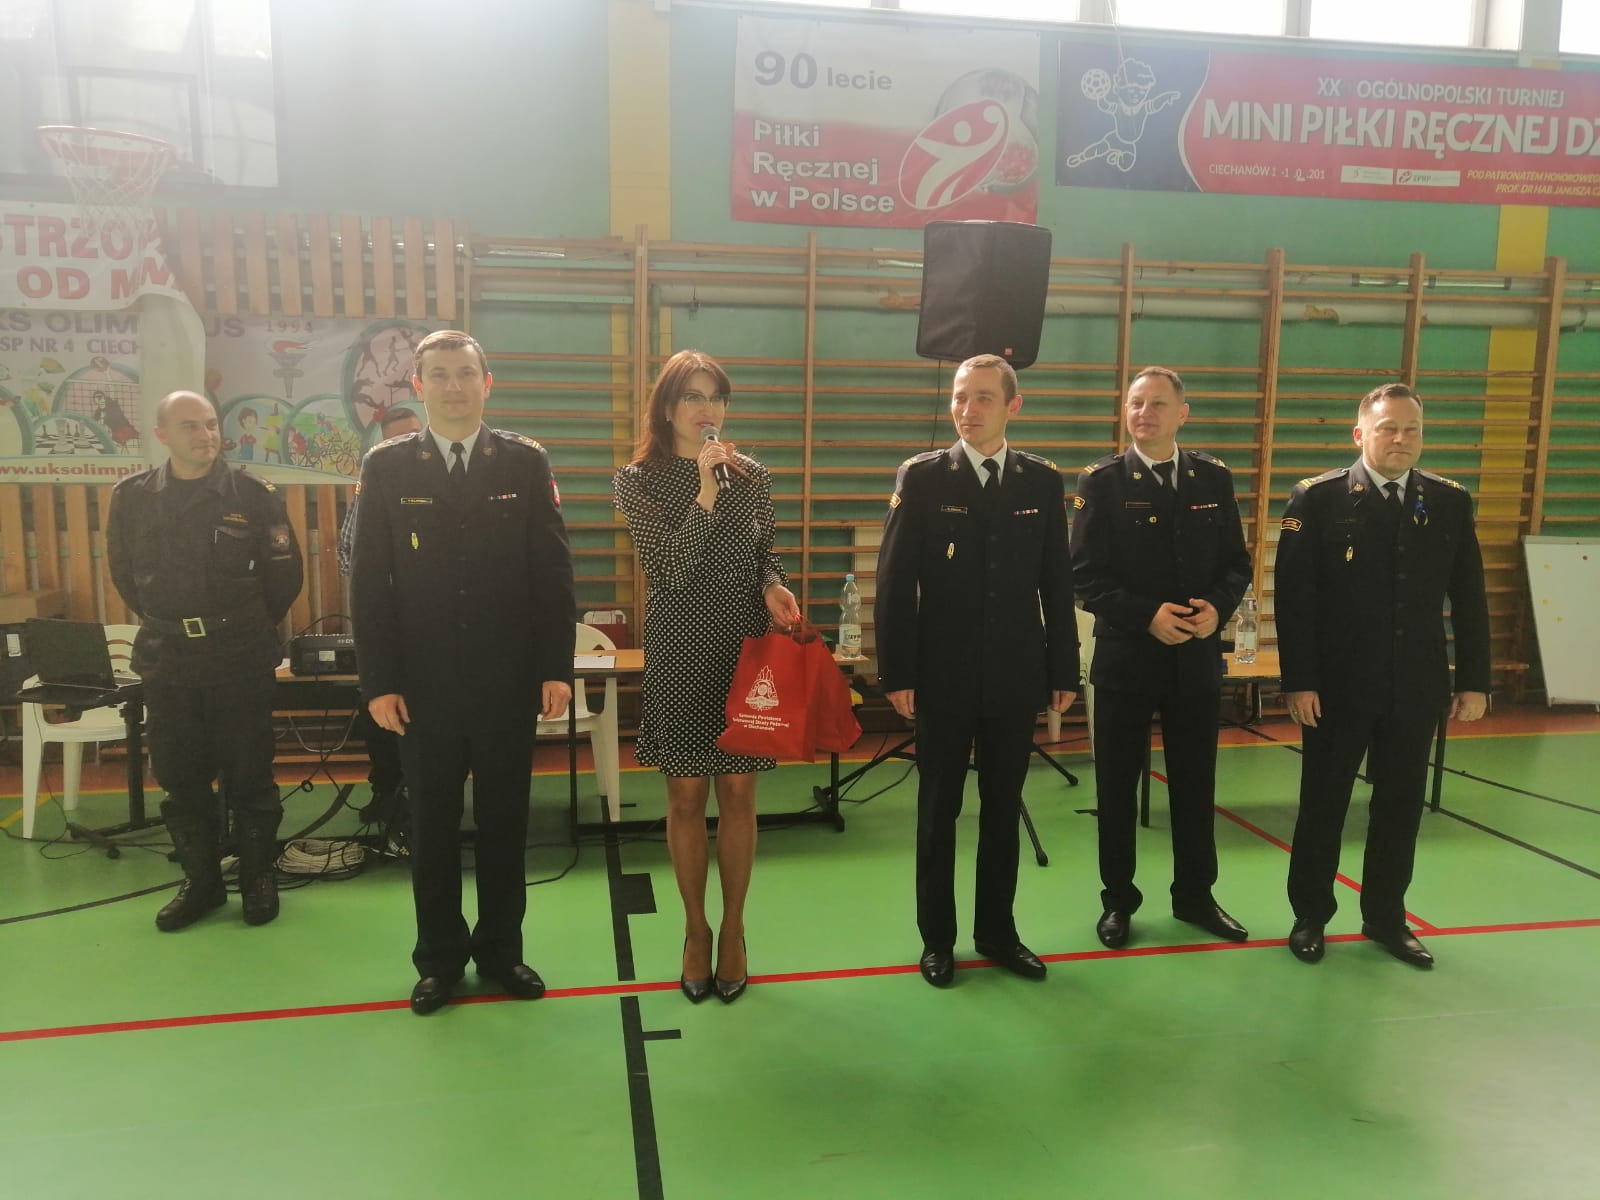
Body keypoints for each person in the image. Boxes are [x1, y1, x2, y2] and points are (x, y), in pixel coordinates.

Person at [350, 330, 575, 1015]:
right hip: (423, 689)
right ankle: (439, 961)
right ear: (418, 386)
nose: (454, 386)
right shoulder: (388, 467)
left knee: (506, 825)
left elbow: (552, 572)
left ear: (487, 383)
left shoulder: (525, 462)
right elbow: (369, 584)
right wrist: (379, 681)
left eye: (465, 374)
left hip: (507, 680)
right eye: (440, 375)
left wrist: (554, 667)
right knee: (433, 829)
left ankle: (503, 951)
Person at [874, 353, 1077, 989]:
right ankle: (938, 939)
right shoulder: (923, 477)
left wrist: (1063, 669)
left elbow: (1056, 581)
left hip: (1016, 672)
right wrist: (898, 672)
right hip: (942, 674)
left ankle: (997, 932)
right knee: (938, 809)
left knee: (1002, 807)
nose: (967, 409)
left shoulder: (1040, 481)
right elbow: (893, 582)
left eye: (984, 397)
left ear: (1013, 406)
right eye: (961, 397)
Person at [1276, 382, 1490, 968]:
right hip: (1337, 688)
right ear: (1360, 434)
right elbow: (1294, 600)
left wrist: (1474, 679)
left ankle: (1386, 917)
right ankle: (1310, 915)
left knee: (1400, 806)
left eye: (1411, 429)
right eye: (1388, 428)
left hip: (1415, 685)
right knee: (1324, 805)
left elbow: (1469, 596)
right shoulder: (1317, 499)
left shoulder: (1448, 500)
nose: (1401, 439)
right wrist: (1299, 680)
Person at [613, 350, 801, 1005]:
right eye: (692, 397)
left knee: (741, 795)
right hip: (680, 647)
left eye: (715, 397)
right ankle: (696, 930)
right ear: (667, 407)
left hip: (743, 645)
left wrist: (774, 585)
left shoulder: (755, 477)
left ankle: (734, 930)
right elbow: (669, 568)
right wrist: (704, 490)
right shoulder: (636, 480)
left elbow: (764, 552)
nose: (706, 409)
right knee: (687, 797)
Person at [1068, 366, 1254, 950]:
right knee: (1116, 789)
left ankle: (1196, 896)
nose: (1144, 413)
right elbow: (1084, 575)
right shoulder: (1101, 481)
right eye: (1135, 403)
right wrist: (1147, 615)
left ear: (1183, 414)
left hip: (1195, 660)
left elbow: (1236, 564)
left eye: (1156, 404)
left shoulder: (1212, 478)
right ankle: (1118, 901)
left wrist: (1217, 609)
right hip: (1126, 660)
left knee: (1195, 787)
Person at [106, 391, 304, 930]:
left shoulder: (253, 495)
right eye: (190, 426)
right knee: (180, 777)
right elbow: (124, 575)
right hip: (169, 659)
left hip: (238, 656)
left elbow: (284, 576)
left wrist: (237, 623)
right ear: (162, 434)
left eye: (211, 424)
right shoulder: (132, 497)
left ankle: (257, 878)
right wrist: (176, 620)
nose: (206, 435)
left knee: (250, 775)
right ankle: (202, 883)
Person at [336, 405, 424, 837]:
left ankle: (422, 802)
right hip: (386, 623)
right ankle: (386, 794)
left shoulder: (445, 482)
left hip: (434, 629)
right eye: (396, 437)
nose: (406, 444)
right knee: (381, 716)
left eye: (413, 434)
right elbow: (347, 555)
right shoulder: (373, 487)